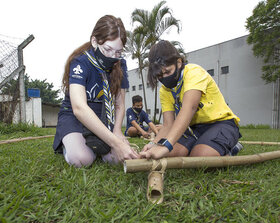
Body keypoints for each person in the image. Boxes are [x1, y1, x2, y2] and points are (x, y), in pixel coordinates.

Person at [53, 15, 139, 167]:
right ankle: (70, 145)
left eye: (118, 52)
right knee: (82, 159)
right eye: (108, 49)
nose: (113, 56)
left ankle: (94, 146)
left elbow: (119, 104)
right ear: (94, 41)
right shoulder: (81, 62)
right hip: (75, 117)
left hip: (102, 117)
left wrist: (117, 131)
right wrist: (116, 143)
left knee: (117, 160)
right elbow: (79, 108)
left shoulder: (121, 64)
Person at [140, 40, 242, 160]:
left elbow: (189, 108)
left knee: (200, 157)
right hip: (193, 130)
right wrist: (153, 144)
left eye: (167, 71)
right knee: (170, 154)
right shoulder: (165, 90)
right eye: (159, 76)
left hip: (220, 123)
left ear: (178, 62)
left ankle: (232, 147)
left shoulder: (194, 72)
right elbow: (168, 125)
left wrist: (166, 145)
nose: (164, 78)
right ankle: (201, 144)